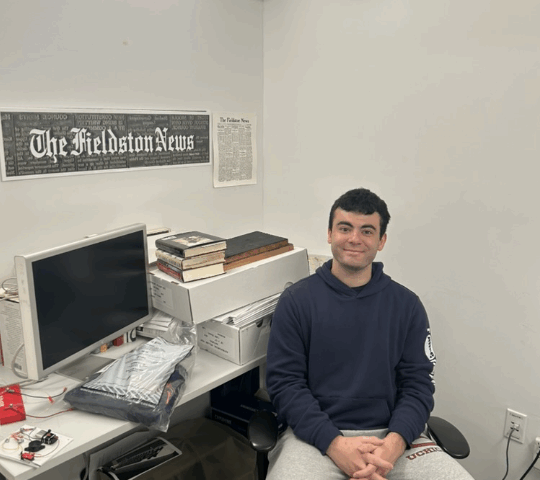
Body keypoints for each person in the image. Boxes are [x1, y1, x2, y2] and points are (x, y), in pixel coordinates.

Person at [265, 188, 473, 480]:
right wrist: (335, 445)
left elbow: (418, 386)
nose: (354, 239)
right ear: (329, 234)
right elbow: (285, 385)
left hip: (393, 439)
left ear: (381, 241)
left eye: (367, 231)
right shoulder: (296, 301)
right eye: (345, 228)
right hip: (315, 437)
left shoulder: (407, 305)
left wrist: (393, 445)